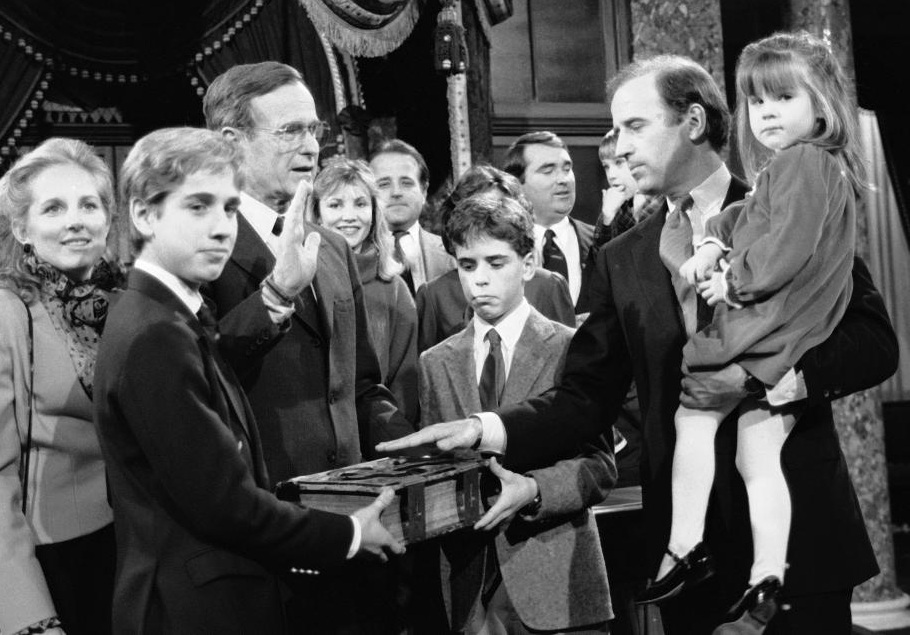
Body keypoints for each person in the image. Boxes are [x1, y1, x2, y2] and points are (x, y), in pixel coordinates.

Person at [378, 54, 898, 635]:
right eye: (614, 130)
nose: (617, 147)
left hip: (801, 536)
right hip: (688, 563)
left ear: (693, 122)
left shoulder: (792, 201)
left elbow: (874, 342)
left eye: (634, 126)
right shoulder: (622, 257)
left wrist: (773, 380)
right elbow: (584, 397)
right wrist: (484, 428)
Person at [94, 127, 404, 634]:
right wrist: (347, 533)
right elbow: (225, 505)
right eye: (198, 207)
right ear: (143, 215)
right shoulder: (154, 333)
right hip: (192, 608)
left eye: (230, 209)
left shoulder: (167, 317)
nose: (221, 229)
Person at [639, 31, 867, 630]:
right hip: (774, 335)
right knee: (752, 453)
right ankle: (764, 573)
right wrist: (716, 235)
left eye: (783, 99)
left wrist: (732, 283)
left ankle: (684, 546)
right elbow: (754, 214)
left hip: (770, 341)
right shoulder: (790, 173)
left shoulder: (801, 165)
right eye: (757, 102)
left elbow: (870, 339)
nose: (766, 113)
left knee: (697, 415)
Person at [202, 61, 414, 633]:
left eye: (315, 130)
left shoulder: (332, 247)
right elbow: (199, 378)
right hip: (266, 533)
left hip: (355, 524)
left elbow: (362, 382)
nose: (310, 146)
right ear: (231, 141)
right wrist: (275, 295)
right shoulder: (202, 250)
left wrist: (411, 444)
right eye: (289, 131)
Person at [421, 194, 615, 634]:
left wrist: (532, 489)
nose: (479, 281)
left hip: (556, 576)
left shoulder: (569, 348)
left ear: (528, 265)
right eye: (467, 266)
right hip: (470, 583)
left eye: (496, 263)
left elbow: (601, 466)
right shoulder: (437, 361)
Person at [0, 138, 121, 635]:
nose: (76, 220)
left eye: (89, 204)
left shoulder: (126, 306)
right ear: (22, 228)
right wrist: (30, 619)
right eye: (54, 208)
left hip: (139, 552)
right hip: (58, 564)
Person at [415, 164, 575, 352]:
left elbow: (567, 356)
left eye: (501, 212)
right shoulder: (434, 294)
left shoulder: (549, 285)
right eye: (475, 212)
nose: (487, 222)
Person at [310, 157, 419, 424]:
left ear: (374, 212)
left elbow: (405, 383)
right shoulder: (302, 283)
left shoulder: (394, 290)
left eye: (360, 204)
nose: (349, 217)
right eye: (335, 205)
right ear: (317, 214)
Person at [503, 131, 596, 314]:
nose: (564, 180)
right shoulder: (502, 247)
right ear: (517, 183)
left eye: (567, 169)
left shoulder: (602, 242)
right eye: (548, 170)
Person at [370, 139, 454, 294]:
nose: (396, 192)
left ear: (424, 191)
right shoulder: (354, 257)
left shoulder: (453, 255)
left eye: (406, 183)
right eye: (383, 184)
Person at [595, 128, 654, 248]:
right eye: (606, 166)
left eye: (619, 163)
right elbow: (599, 262)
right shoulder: (615, 208)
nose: (611, 175)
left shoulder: (665, 201)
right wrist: (607, 219)